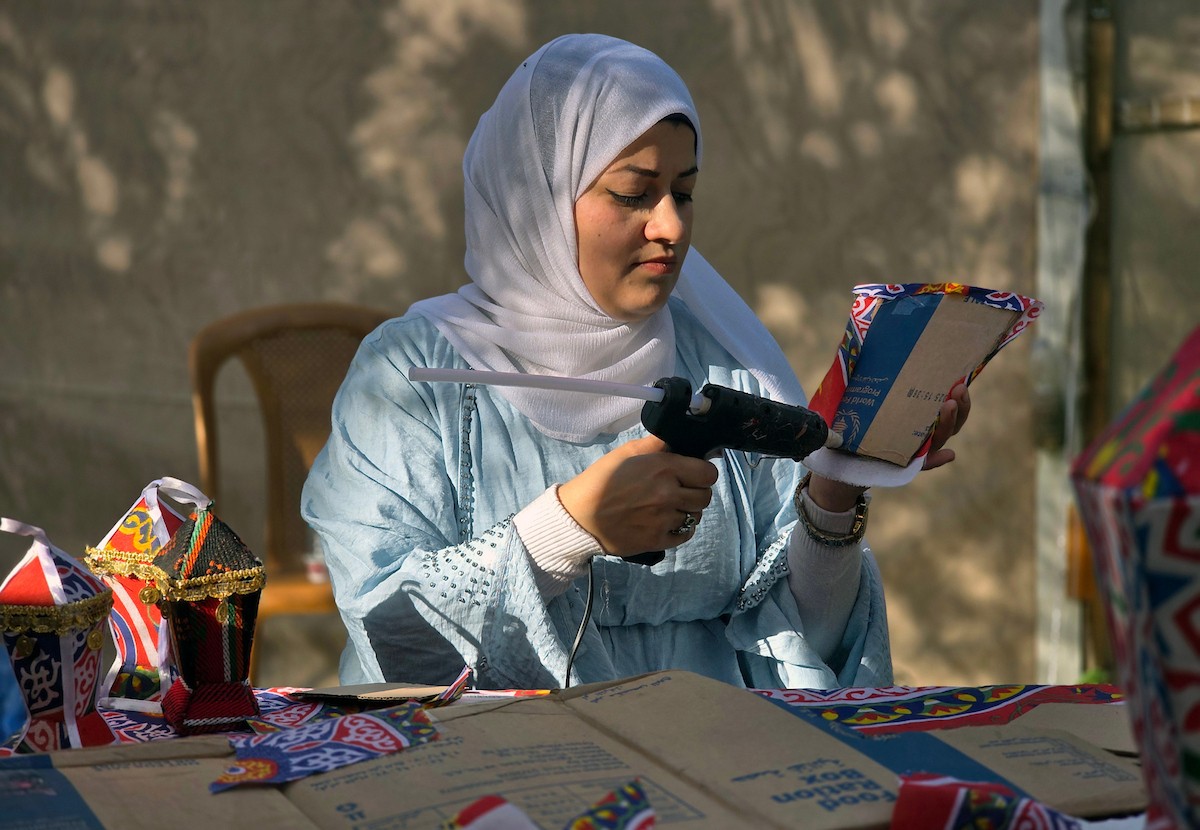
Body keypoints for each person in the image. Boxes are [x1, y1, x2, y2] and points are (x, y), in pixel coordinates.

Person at [301, 33, 969, 691]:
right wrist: (565, 529)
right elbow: (389, 632)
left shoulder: (722, 367)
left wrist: (836, 491)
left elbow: (801, 649)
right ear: (537, 197)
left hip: (715, 769)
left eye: (683, 192)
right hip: (512, 781)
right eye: (633, 192)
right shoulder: (414, 378)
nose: (671, 227)